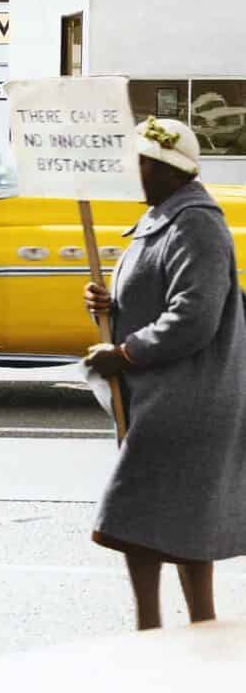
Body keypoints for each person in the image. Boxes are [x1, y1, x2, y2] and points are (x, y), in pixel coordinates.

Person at [84, 117, 246, 630]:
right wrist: (105, 307)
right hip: (168, 395)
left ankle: (160, 631)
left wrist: (125, 353)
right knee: (174, 518)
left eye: (141, 163)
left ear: (163, 169)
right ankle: (169, 628)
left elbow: (194, 316)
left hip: (187, 398)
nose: (134, 173)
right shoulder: (164, 217)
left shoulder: (195, 223)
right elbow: (153, 296)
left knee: (143, 513)